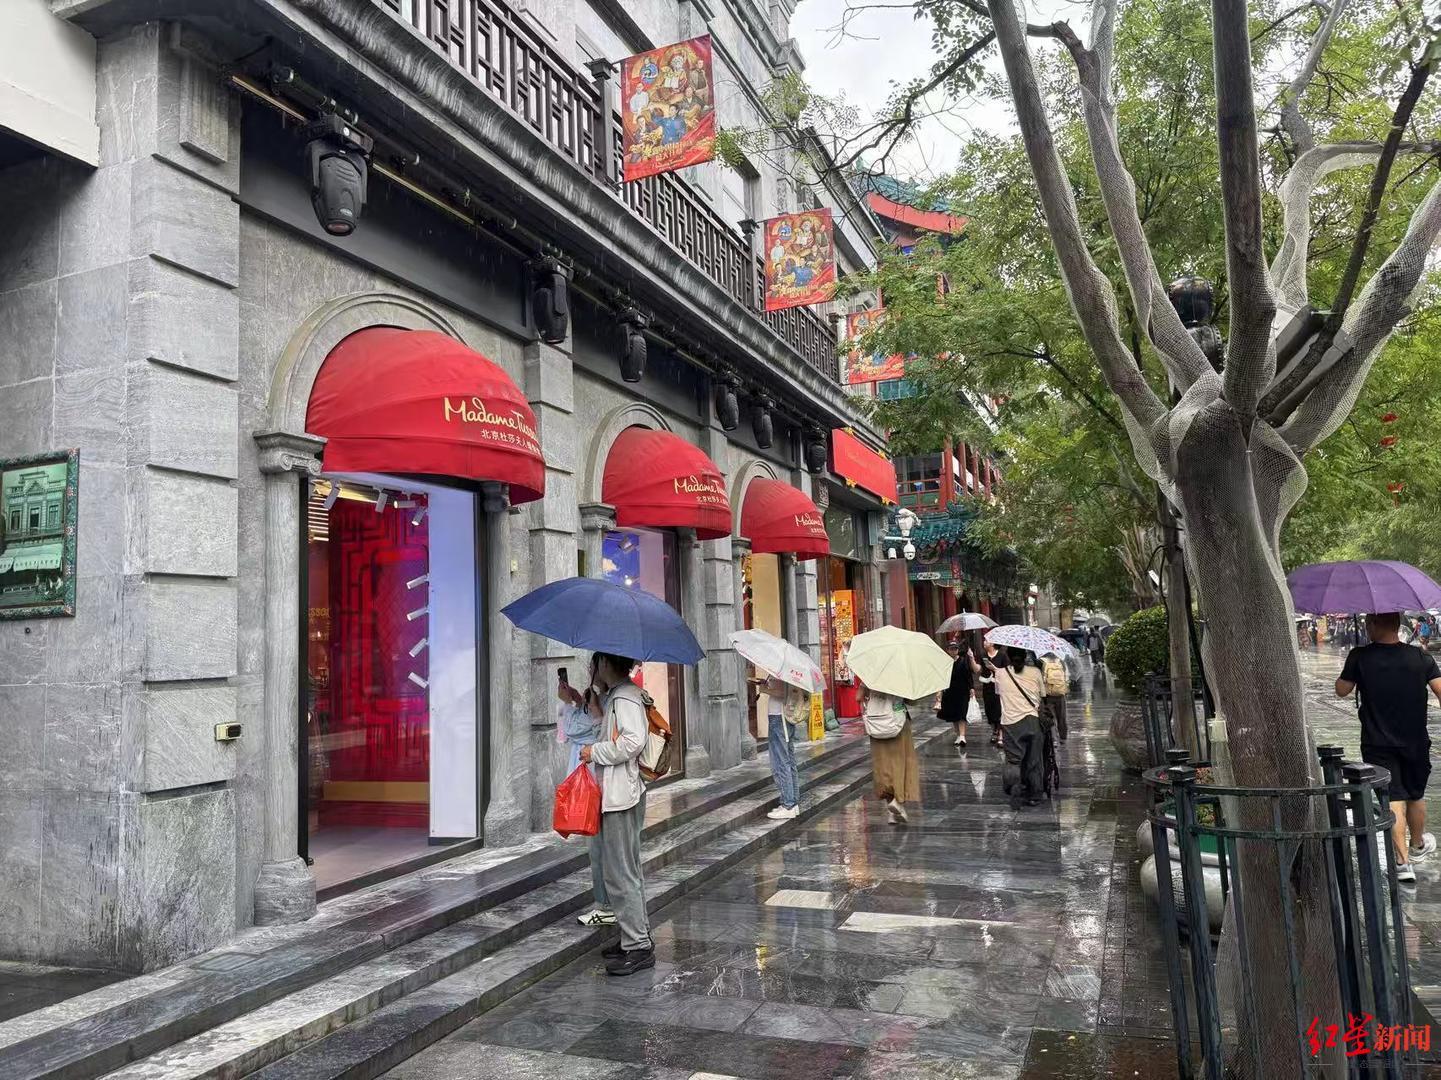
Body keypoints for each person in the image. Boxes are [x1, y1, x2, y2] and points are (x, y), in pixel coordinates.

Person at [1337, 613, 1441, 883]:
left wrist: (1356, 665)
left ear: (1373, 625)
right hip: (1416, 741)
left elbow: (1341, 690)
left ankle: (1403, 863)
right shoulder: (1420, 658)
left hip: (1377, 742)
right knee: (1415, 795)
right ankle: (1417, 845)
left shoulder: (1360, 657)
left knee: (1392, 797)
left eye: (1368, 623)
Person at [578, 652, 655, 974]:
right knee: (625, 871)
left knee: (621, 873)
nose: (591, 669)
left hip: (621, 796)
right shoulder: (619, 695)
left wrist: (593, 751)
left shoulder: (624, 697)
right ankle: (635, 937)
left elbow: (633, 741)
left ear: (605, 664)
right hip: (620, 794)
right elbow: (615, 734)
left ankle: (638, 946)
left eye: (594, 663)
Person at [558, 663, 614, 928]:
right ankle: (608, 905)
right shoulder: (604, 697)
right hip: (601, 780)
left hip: (597, 781)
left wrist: (570, 704)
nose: (589, 669)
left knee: (599, 849)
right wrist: (579, 700)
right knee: (601, 848)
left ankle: (605, 906)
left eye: (593, 666)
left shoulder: (607, 699)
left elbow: (578, 728)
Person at [859, 682, 920, 823]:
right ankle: (898, 802)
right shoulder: (901, 678)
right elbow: (912, 701)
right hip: (897, 724)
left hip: (877, 724)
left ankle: (891, 810)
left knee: (883, 766)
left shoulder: (870, 677)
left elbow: (859, 696)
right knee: (901, 763)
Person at [995, 647, 1048, 810]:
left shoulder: (1000, 673)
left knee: (1013, 760)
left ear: (1009, 657)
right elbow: (1043, 695)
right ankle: (1035, 795)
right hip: (1033, 721)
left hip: (1010, 723)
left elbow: (999, 693)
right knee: (1034, 760)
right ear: (1025, 656)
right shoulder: (1035, 672)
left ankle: (1015, 789)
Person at [750, 668, 805, 819]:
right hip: (779, 718)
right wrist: (766, 684)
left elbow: (784, 693)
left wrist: (764, 690)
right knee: (787, 760)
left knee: (781, 762)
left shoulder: (784, 671)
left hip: (780, 718)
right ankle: (792, 802)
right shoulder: (780, 669)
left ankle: (788, 804)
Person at [937, 640, 980, 749]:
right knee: (954, 715)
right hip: (949, 692)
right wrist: (939, 691)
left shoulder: (963, 661)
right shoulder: (945, 663)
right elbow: (941, 678)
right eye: (951, 649)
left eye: (955, 649)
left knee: (962, 714)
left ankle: (962, 736)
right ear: (947, 650)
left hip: (963, 691)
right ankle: (958, 735)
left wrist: (971, 687)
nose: (953, 651)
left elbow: (969, 675)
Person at [1039, 650, 1069, 742]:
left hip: (1048, 695)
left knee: (1049, 717)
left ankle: (1053, 739)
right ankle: (1063, 737)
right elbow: (1067, 677)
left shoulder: (1043, 662)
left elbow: (1042, 679)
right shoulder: (1061, 662)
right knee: (1062, 717)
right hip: (1060, 694)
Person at [980, 638, 1004, 746]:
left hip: (999, 687)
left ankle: (1001, 734)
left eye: (986, 641)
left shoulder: (1002, 655)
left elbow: (1007, 670)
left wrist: (995, 669)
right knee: (989, 710)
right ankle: (994, 730)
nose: (984, 642)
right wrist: (971, 658)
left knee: (999, 710)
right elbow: (979, 669)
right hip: (987, 687)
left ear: (993, 643)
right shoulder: (983, 655)